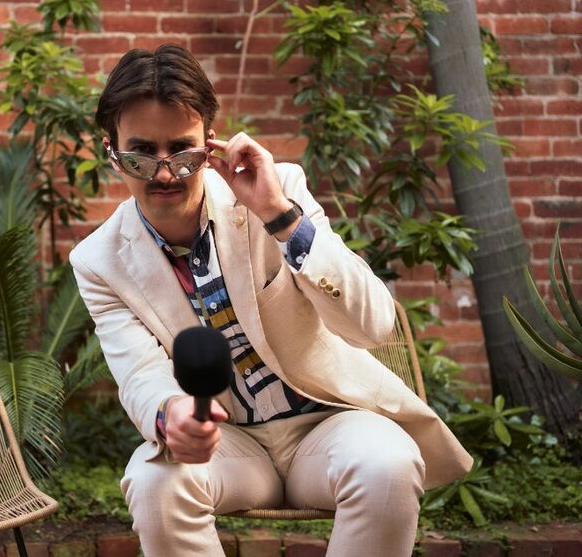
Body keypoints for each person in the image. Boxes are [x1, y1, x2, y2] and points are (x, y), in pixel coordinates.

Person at [69, 44, 472, 557]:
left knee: (387, 463)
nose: (165, 173)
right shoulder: (99, 261)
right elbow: (139, 374)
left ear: (210, 143)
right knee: (153, 483)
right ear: (111, 150)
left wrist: (280, 217)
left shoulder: (279, 189)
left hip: (327, 424)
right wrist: (172, 416)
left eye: (183, 151)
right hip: (230, 443)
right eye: (141, 154)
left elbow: (373, 325)